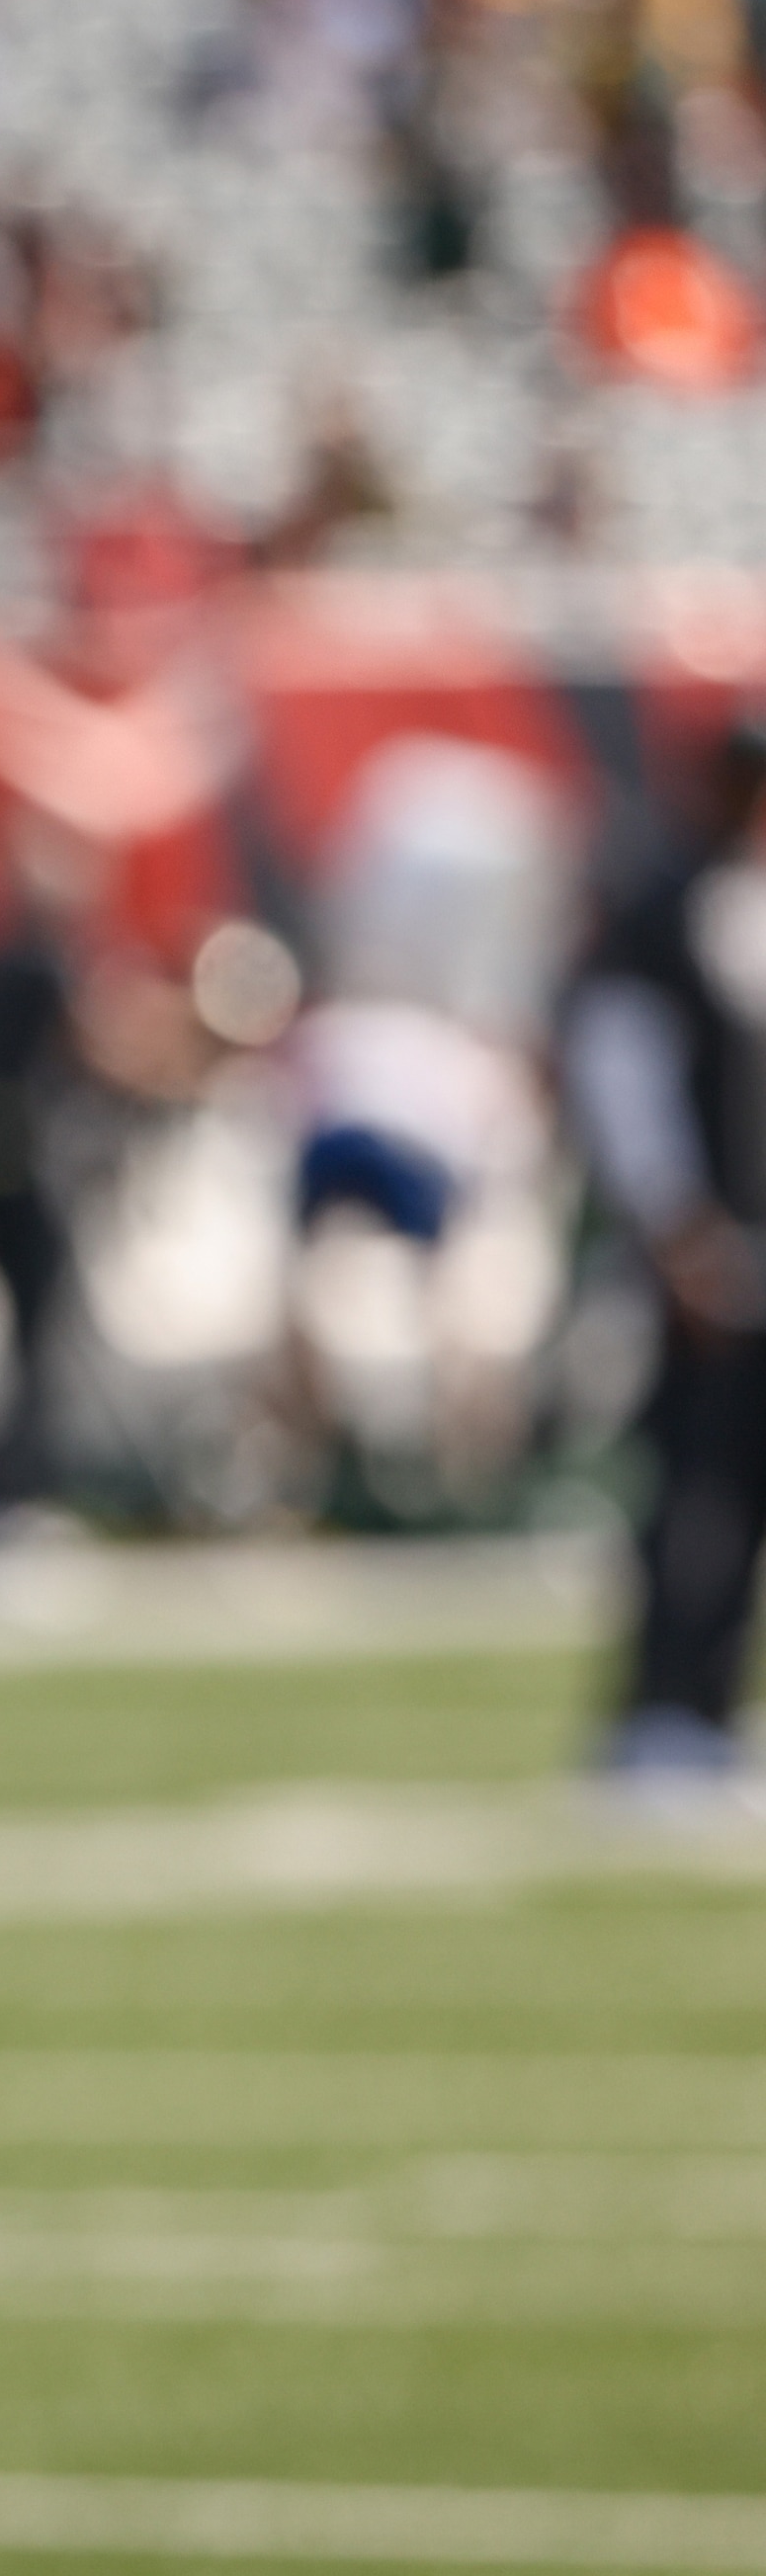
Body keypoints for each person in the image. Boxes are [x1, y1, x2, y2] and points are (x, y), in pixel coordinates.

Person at [561, 718, 766, 1793]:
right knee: (693, 1487)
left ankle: (709, 1705)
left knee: (741, 1496)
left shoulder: (734, 897)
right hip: (705, 1251)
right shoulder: (662, 906)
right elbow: (621, 1078)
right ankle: (656, 1711)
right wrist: (676, 1225)